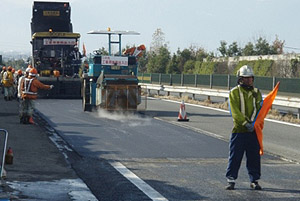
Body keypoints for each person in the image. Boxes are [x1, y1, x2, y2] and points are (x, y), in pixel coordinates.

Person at [225, 65, 263, 190]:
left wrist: (254, 125)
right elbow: (235, 112)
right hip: (239, 131)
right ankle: (231, 179)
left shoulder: (257, 93)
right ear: (240, 79)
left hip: (253, 131)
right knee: (235, 156)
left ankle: (254, 180)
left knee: (254, 157)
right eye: (245, 78)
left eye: (250, 78)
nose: (248, 80)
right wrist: (245, 124)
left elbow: (260, 110)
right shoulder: (234, 92)